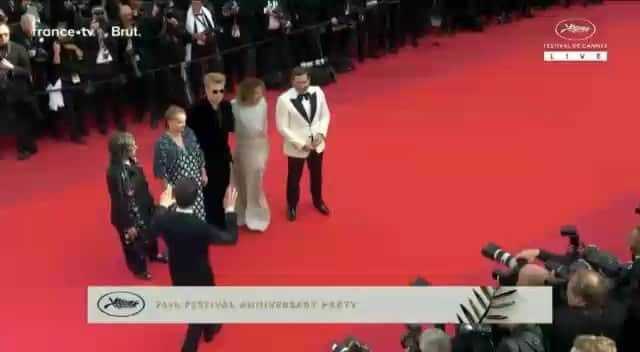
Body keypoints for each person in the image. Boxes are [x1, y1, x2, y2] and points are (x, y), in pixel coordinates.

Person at [151, 178, 239, 352]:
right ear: (196, 199)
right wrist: (230, 210)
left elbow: (150, 230)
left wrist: (162, 207)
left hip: (178, 275)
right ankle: (192, 343)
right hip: (201, 277)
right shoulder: (201, 227)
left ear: (174, 197)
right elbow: (231, 238)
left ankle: (210, 329)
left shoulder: (165, 221)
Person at [106, 132, 168, 280]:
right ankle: (139, 269)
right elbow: (119, 201)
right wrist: (128, 225)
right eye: (132, 145)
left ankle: (153, 255)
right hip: (128, 216)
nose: (136, 147)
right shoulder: (115, 174)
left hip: (144, 206)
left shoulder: (131, 161)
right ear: (122, 151)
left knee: (150, 231)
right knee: (133, 245)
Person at [275, 66, 331, 221]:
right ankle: (292, 206)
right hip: (296, 147)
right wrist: (301, 144)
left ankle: (318, 201)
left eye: (305, 82)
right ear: (292, 81)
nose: (302, 86)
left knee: (317, 175)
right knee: (294, 177)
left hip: (317, 144)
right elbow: (282, 127)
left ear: (309, 80)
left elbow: (325, 115)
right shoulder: (283, 100)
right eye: (298, 83)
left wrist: (321, 133)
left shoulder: (318, 92)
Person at [187, 72, 234, 229]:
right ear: (206, 90)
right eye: (215, 91)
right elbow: (189, 138)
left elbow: (230, 127)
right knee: (209, 193)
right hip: (205, 159)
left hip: (223, 156)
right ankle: (212, 223)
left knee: (222, 188)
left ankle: (220, 219)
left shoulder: (226, 106)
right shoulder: (195, 110)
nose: (219, 95)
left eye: (222, 90)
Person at [153, 105, 208, 222]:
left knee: (198, 213)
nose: (183, 125)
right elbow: (161, 171)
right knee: (182, 218)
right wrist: (169, 191)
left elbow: (199, 153)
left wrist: (203, 173)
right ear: (169, 122)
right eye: (179, 122)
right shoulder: (162, 143)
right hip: (179, 188)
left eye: (184, 121)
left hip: (195, 182)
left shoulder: (189, 133)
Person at [231, 78, 270, 231]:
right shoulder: (234, 106)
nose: (258, 96)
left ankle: (258, 216)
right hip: (242, 147)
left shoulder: (263, 104)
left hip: (259, 147)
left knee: (255, 180)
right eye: (255, 94)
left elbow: (263, 127)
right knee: (240, 180)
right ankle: (241, 212)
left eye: (260, 93)